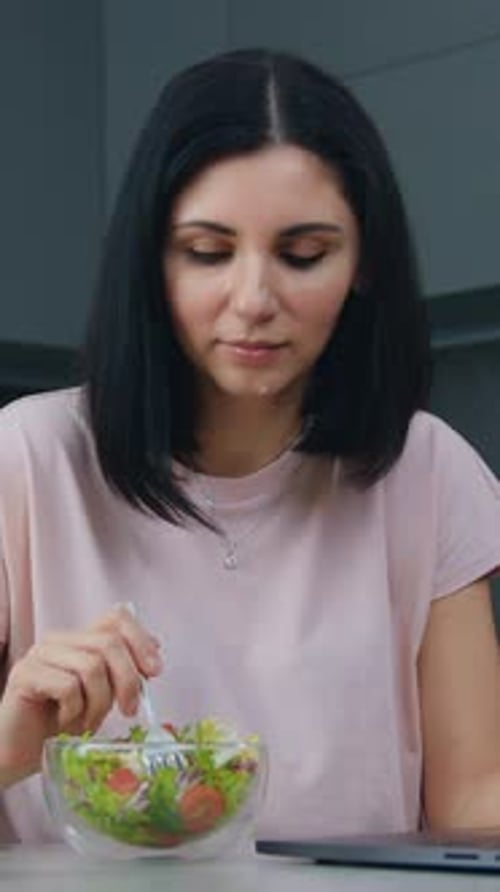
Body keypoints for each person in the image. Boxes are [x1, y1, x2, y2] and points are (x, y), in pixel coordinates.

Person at [1, 47, 500, 845]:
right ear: (151, 262)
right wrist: (11, 742)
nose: (255, 299)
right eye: (206, 252)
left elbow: (472, 799)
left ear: (363, 262)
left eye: (304, 255)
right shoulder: (28, 458)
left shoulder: (427, 470)